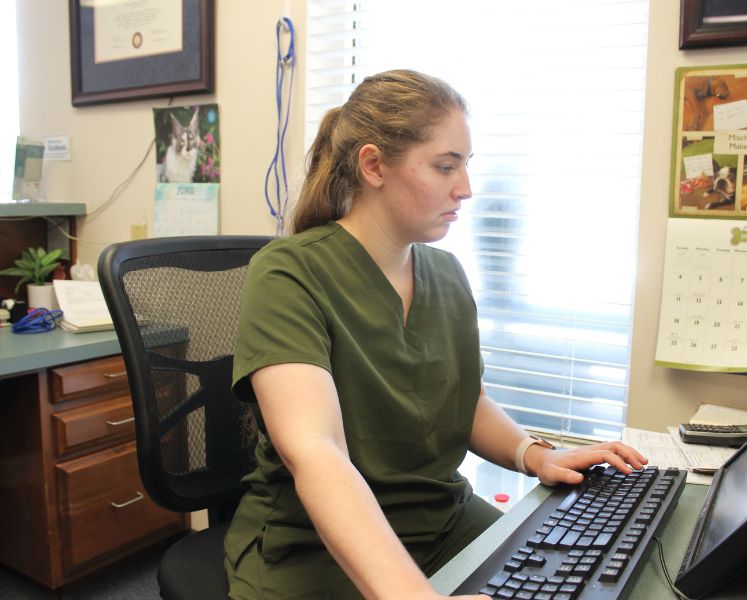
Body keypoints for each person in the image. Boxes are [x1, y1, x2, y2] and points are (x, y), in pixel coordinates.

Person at [224, 69, 648, 599]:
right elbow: (316, 451)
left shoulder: (446, 274)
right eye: (446, 167)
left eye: (466, 166)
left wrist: (534, 454)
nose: (465, 189)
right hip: (318, 545)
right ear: (374, 165)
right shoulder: (288, 273)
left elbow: (462, 404)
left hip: (443, 525)